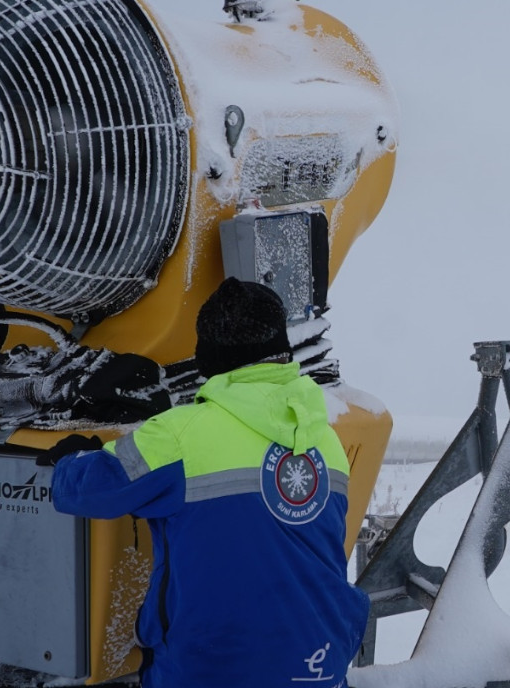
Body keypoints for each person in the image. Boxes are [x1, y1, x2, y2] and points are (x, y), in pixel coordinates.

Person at [41, 277, 369, 688]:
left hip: (215, 668)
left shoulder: (181, 435)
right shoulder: (325, 438)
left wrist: (71, 458)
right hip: (317, 664)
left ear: (209, 357)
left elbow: (87, 492)